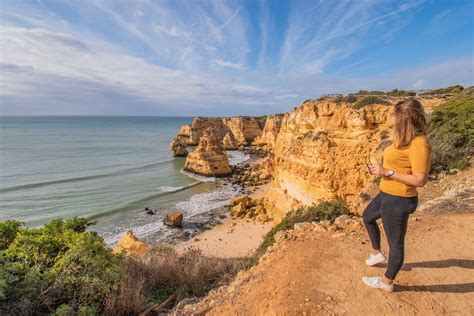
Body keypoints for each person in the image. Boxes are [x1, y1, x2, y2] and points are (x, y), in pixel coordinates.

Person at [362, 99, 431, 292]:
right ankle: (376, 253)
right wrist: (380, 171)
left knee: (396, 244)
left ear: (407, 119)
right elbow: (397, 164)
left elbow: (419, 179)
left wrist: (388, 172)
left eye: (397, 117)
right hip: (386, 192)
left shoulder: (419, 144)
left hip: (399, 199)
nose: (393, 120)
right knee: (367, 217)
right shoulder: (403, 138)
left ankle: (386, 283)